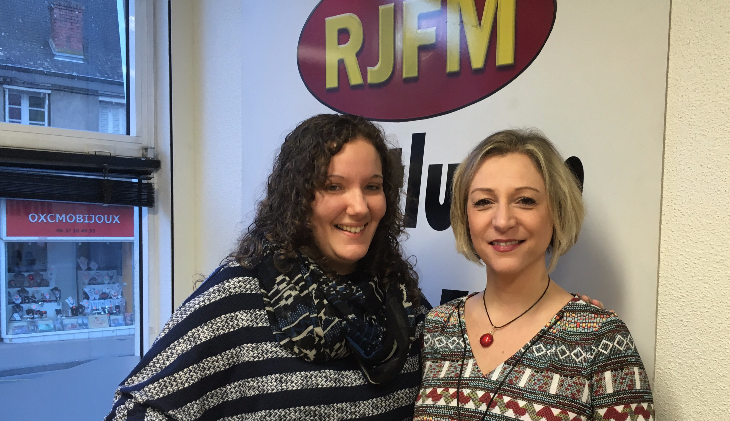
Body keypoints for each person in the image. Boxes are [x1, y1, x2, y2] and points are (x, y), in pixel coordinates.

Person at [105, 114, 429, 420]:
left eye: (372, 187)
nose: (359, 207)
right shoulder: (237, 299)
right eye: (333, 186)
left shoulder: (401, 299)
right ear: (297, 198)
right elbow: (135, 411)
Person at [413, 129, 655, 420]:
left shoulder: (602, 340)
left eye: (525, 200)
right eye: (483, 201)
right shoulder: (438, 326)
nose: (503, 221)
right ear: (465, 217)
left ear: (556, 212)